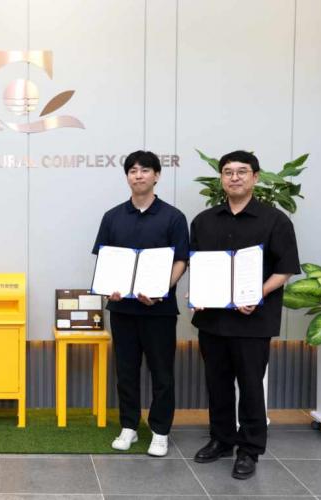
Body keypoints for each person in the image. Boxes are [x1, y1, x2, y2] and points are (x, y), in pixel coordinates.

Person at [190, 150, 299, 479]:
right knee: (217, 384)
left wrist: (257, 293)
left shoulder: (275, 220)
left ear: (255, 177)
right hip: (213, 320)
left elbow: (286, 269)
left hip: (253, 321)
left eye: (241, 171)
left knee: (251, 386)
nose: (234, 177)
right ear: (221, 178)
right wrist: (196, 294)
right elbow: (200, 266)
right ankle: (221, 440)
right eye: (228, 172)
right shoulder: (203, 221)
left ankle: (249, 450)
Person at [92, 150, 189, 456]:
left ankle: (160, 431)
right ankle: (129, 427)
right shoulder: (112, 216)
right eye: (132, 170)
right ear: (127, 177)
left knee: (162, 373)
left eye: (145, 170)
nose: (138, 175)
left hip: (159, 310)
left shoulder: (173, 217)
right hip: (122, 310)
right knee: (126, 371)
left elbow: (181, 260)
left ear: (156, 175)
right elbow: (105, 260)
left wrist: (162, 289)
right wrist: (108, 289)